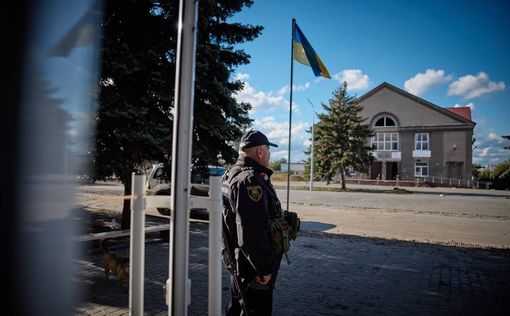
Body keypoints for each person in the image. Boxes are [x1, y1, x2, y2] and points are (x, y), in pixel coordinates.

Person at [223, 130, 284, 316]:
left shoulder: (232, 174)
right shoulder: (249, 181)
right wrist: (264, 269)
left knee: (237, 308)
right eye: (268, 150)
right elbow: (252, 232)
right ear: (259, 152)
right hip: (253, 270)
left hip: (239, 262)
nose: (269, 155)